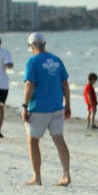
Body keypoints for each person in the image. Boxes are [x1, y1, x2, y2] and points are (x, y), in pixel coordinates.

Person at [20, 33, 71, 186]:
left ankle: (37, 177)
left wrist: (24, 106)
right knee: (59, 139)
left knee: (33, 140)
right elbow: (65, 84)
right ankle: (66, 175)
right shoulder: (56, 60)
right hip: (57, 106)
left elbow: (29, 84)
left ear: (32, 46)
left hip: (39, 108)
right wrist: (67, 104)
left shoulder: (32, 62)